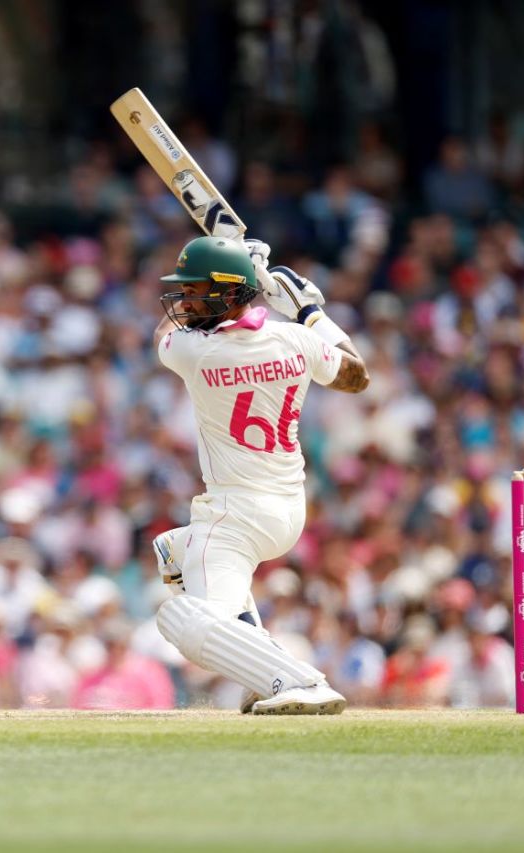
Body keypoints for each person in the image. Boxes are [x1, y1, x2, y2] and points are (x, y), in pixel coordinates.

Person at [148, 235, 370, 714]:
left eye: (194, 290)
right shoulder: (296, 338)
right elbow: (357, 375)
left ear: (229, 293)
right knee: (172, 549)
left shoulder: (197, 351)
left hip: (233, 517)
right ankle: (265, 671)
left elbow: (161, 334)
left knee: (182, 620)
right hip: (288, 510)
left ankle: (299, 681)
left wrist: (245, 278)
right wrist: (308, 310)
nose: (184, 300)